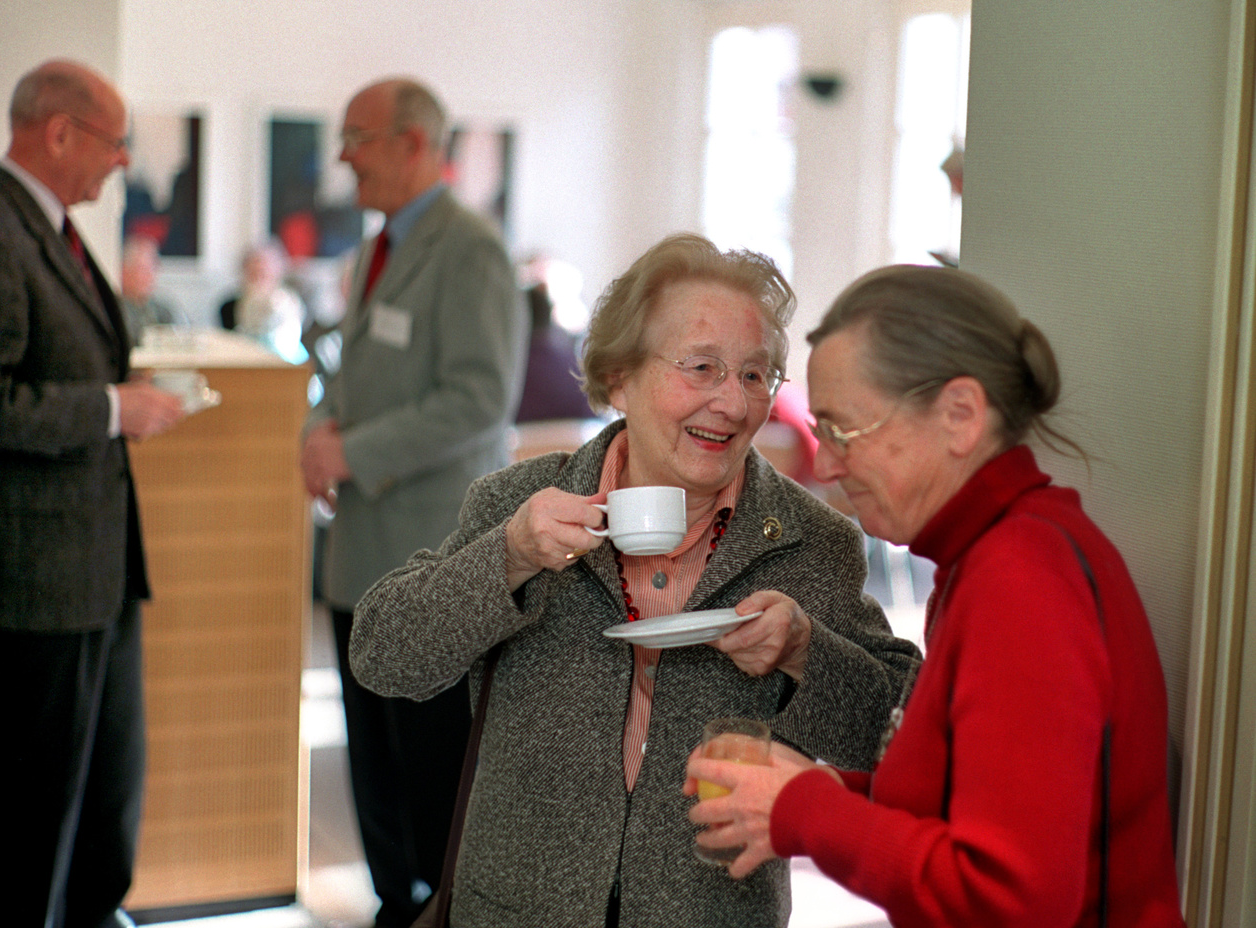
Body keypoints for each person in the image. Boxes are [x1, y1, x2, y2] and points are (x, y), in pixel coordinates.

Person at [350, 233, 920, 928]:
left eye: (754, 375)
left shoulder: (809, 540)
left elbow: (904, 739)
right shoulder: (522, 505)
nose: (733, 405)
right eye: (702, 367)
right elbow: (383, 656)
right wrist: (509, 557)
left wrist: (806, 653)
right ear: (619, 378)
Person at [686, 264, 1186, 927]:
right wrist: (819, 790)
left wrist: (808, 808)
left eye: (842, 431)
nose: (827, 465)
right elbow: (969, 797)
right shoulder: (994, 554)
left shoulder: (1021, 578)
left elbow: (1012, 899)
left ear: (959, 416)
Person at [0, 59, 187, 928]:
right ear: (58, 133)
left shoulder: (48, 228)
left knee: (102, 786)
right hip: (31, 583)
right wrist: (109, 409)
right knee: (28, 800)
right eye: (116, 142)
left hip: (95, 569)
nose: (123, 160)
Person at [299, 77, 527, 928]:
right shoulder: (377, 247)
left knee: (429, 762)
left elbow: (477, 399)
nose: (344, 157)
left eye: (357, 137)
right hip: (359, 552)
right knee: (371, 761)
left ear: (413, 144)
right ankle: (394, 903)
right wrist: (323, 428)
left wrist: (349, 451)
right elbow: (356, 377)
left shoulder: (469, 249)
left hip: (429, 552)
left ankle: (440, 909)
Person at [514, 280, 596, 422]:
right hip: (580, 443)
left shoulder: (513, 371)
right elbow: (593, 419)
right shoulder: (576, 367)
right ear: (549, 317)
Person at [218, 238, 308, 364]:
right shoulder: (228, 307)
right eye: (254, 270)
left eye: (264, 271)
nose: (259, 274)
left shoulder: (291, 304)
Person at [119, 233, 184, 344]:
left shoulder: (163, 310)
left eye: (153, 269)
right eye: (143, 269)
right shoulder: (117, 310)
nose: (150, 276)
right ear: (124, 272)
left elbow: (180, 338)